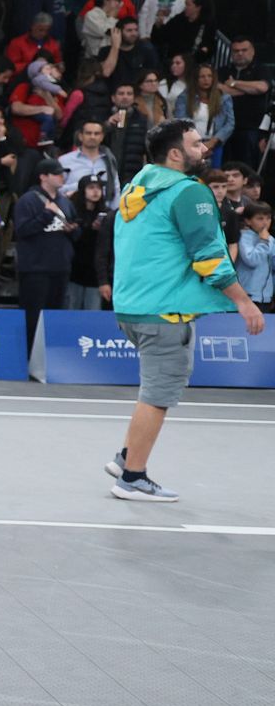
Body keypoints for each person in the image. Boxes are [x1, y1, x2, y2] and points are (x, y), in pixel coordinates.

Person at [104, 119, 264, 501]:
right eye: (195, 144)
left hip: (133, 306)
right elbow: (210, 257)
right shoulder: (189, 193)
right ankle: (132, 477)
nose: (205, 149)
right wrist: (243, 301)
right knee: (158, 394)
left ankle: (126, 456)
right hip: (166, 311)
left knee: (151, 389)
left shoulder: (138, 184)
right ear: (175, 154)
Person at [11, 157, 76, 349]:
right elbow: (22, 230)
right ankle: (29, 354)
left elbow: (75, 226)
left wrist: (73, 229)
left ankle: (51, 356)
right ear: (43, 177)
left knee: (55, 314)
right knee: (33, 315)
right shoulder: (28, 200)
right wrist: (46, 215)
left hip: (60, 265)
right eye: (56, 174)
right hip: (35, 268)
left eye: (62, 174)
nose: (61, 177)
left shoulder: (64, 201)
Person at [217, 37, 269, 167]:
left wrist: (235, 83)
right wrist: (246, 89)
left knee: (247, 169)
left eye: (244, 50)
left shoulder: (261, 69)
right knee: (223, 167)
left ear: (252, 51)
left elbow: (261, 87)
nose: (240, 53)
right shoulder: (223, 70)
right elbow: (219, 89)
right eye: (236, 51)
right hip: (224, 127)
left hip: (250, 128)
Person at [66, 175, 112, 308]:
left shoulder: (106, 213)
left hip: (96, 274)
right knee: (71, 310)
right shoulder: (74, 212)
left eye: (98, 188)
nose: (96, 191)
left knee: (93, 313)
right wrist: (88, 229)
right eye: (91, 187)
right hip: (75, 272)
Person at [173, 63, 233, 167]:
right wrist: (197, 144)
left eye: (209, 76)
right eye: (202, 76)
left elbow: (230, 123)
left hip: (214, 146)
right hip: (191, 144)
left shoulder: (224, 98)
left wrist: (212, 142)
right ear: (196, 79)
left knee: (213, 178)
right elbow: (181, 122)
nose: (206, 79)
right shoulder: (184, 98)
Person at [59, 119, 120, 193]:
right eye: (88, 133)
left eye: (96, 133)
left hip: (104, 204)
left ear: (102, 137)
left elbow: (115, 189)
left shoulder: (109, 160)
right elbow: (57, 189)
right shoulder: (64, 161)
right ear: (80, 136)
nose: (92, 137)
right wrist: (81, 185)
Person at [237, 202, 273, 310]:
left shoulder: (270, 239)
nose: (265, 223)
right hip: (247, 295)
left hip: (266, 297)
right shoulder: (243, 237)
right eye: (260, 219)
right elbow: (252, 260)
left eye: (268, 218)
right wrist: (263, 242)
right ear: (248, 221)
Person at [5, 13, 60, 77]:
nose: (43, 33)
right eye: (40, 30)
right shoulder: (17, 43)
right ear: (32, 26)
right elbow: (10, 68)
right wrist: (32, 66)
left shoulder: (53, 44)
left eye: (47, 30)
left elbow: (57, 65)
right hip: (23, 79)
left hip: (46, 80)